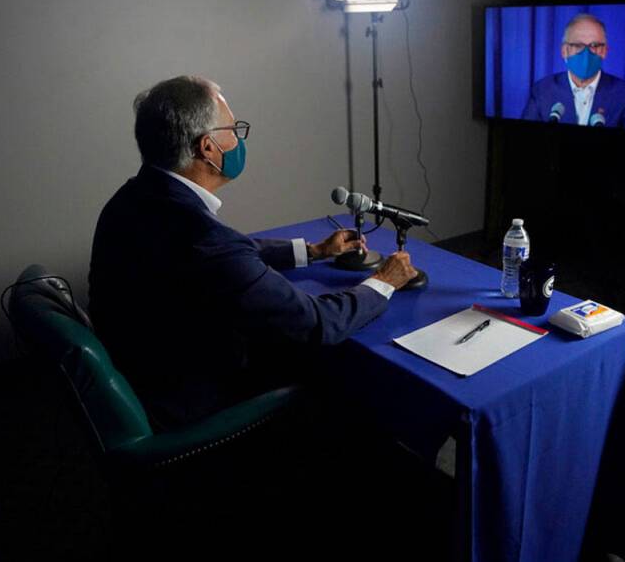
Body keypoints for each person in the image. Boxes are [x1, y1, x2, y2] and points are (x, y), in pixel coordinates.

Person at [88, 75, 418, 430]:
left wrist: (312, 250)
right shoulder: (204, 239)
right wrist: (385, 281)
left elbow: (226, 253)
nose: (239, 139)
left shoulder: (133, 199)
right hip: (192, 399)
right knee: (330, 367)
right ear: (208, 147)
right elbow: (318, 324)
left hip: (141, 369)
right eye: (233, 128)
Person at [521, 13, 625, 129]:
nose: (586, 54)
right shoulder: (542, 90)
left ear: (604, 51)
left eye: (595, 45)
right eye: (578, 45)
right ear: (564, 51)